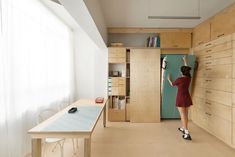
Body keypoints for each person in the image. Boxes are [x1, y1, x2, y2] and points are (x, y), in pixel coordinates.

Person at [167, 56, 193, 140]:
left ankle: (186, 132)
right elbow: (187, 69)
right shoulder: (188, 78)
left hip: (180, 98)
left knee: (182, 115)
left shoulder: (179, 79)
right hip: (187, 98)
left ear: (181, 72)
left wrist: (169, 79)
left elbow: (172, 84)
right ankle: (183, 127)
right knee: (185, 114)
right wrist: (185, 61)